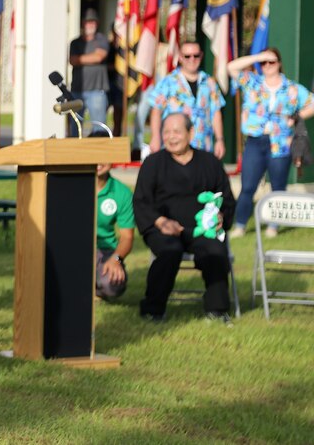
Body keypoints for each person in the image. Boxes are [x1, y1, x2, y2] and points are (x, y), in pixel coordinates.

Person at [133, 112, 236, 324]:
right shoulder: (153, 163)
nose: (171, 137)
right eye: (166, 132)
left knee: (215, 251)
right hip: (164, 228)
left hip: (201, 229)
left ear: (191, 133)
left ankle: (217, 310)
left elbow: (226, 198)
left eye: (177, 132)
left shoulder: (210, 163)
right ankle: (153, 310)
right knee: (170, 251)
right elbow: (141, 201)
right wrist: (160, 222)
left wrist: (220, 217)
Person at [227, 49, 314, 238]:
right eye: (264, 63)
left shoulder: (291, 88)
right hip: (255, 141)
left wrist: (297, 116)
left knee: (278, 186)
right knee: (248, 185)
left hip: (281, 142)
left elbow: (312, 103)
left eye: (271, 62)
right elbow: (231, 67)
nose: (267, 66)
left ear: (279, 63)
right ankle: (240, 224)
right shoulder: (253, 82)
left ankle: (273, 225)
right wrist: (258, 57)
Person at [148, 40, 226, 159]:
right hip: (174, 148)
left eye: (196, 55)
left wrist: (220, 140)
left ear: (201, 56)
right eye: (187, 56)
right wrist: (155, 137)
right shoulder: (168, 82)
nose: (192, 59)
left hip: (203, 147)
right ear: (180, 57)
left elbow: (216, 113)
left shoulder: (210, 82)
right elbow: (156, 111)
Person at [91, 131, 135, 300]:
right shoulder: (73, 186)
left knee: (112, 284)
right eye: (94, 155)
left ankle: (97, 288)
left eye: (104, 155)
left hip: (105, 249)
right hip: (75, 245)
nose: (99, 161)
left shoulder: (122, 192)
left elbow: (127, 237)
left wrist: (116, 259)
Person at [68, 8, 110, 134]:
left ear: (97, 24)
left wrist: (81, 59)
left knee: (99, 127)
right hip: (77, 90)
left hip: (97, 90)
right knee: (75, 127)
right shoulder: (75, 43)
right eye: (87, 22)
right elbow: (72, 60)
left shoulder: (101, 39)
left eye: (93, 22)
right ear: (83, 23)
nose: (90, 24)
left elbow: (99, 56)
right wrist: (91, 58)